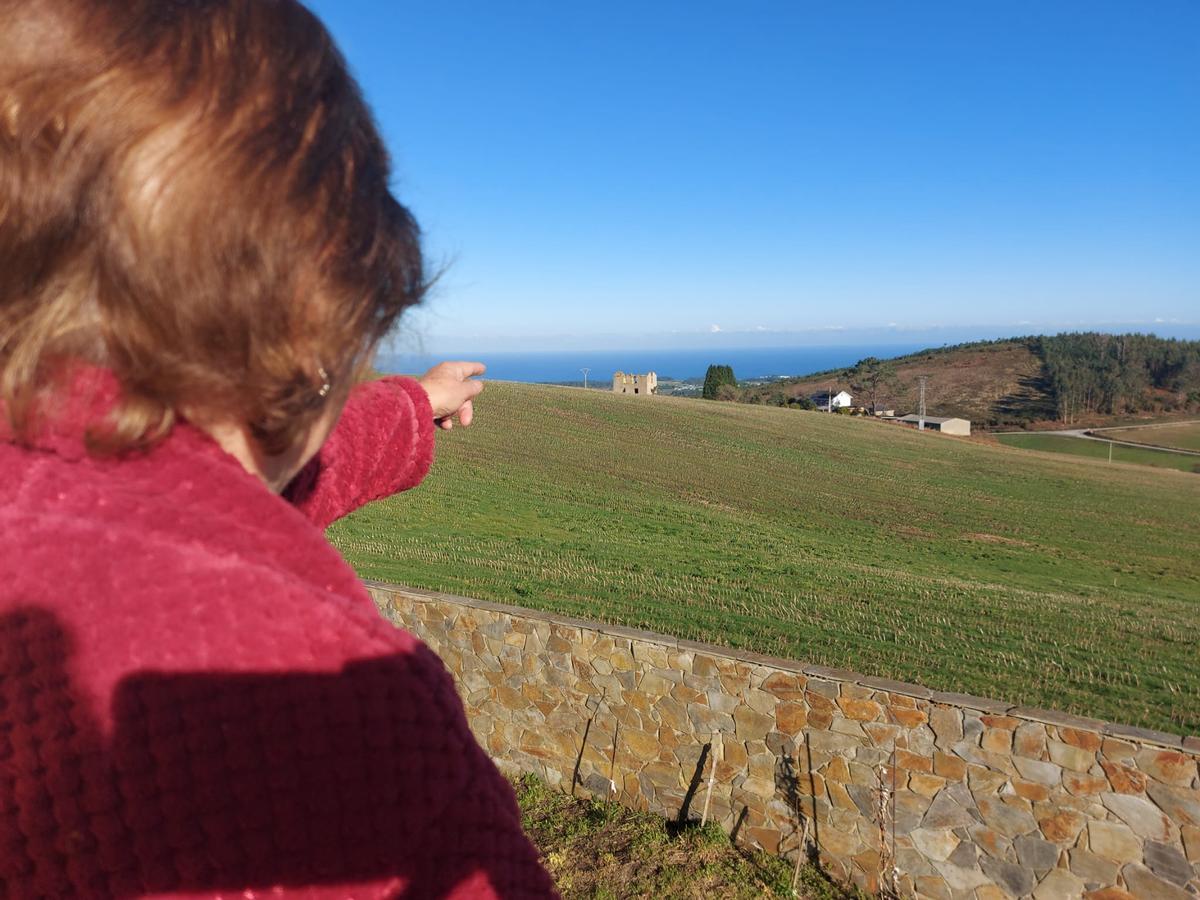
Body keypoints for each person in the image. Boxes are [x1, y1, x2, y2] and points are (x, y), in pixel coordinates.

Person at [0, 0, 556, 896]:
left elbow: (240, 489)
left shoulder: (57, 472)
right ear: (314, 321)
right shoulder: (320, 701)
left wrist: (412, 403)